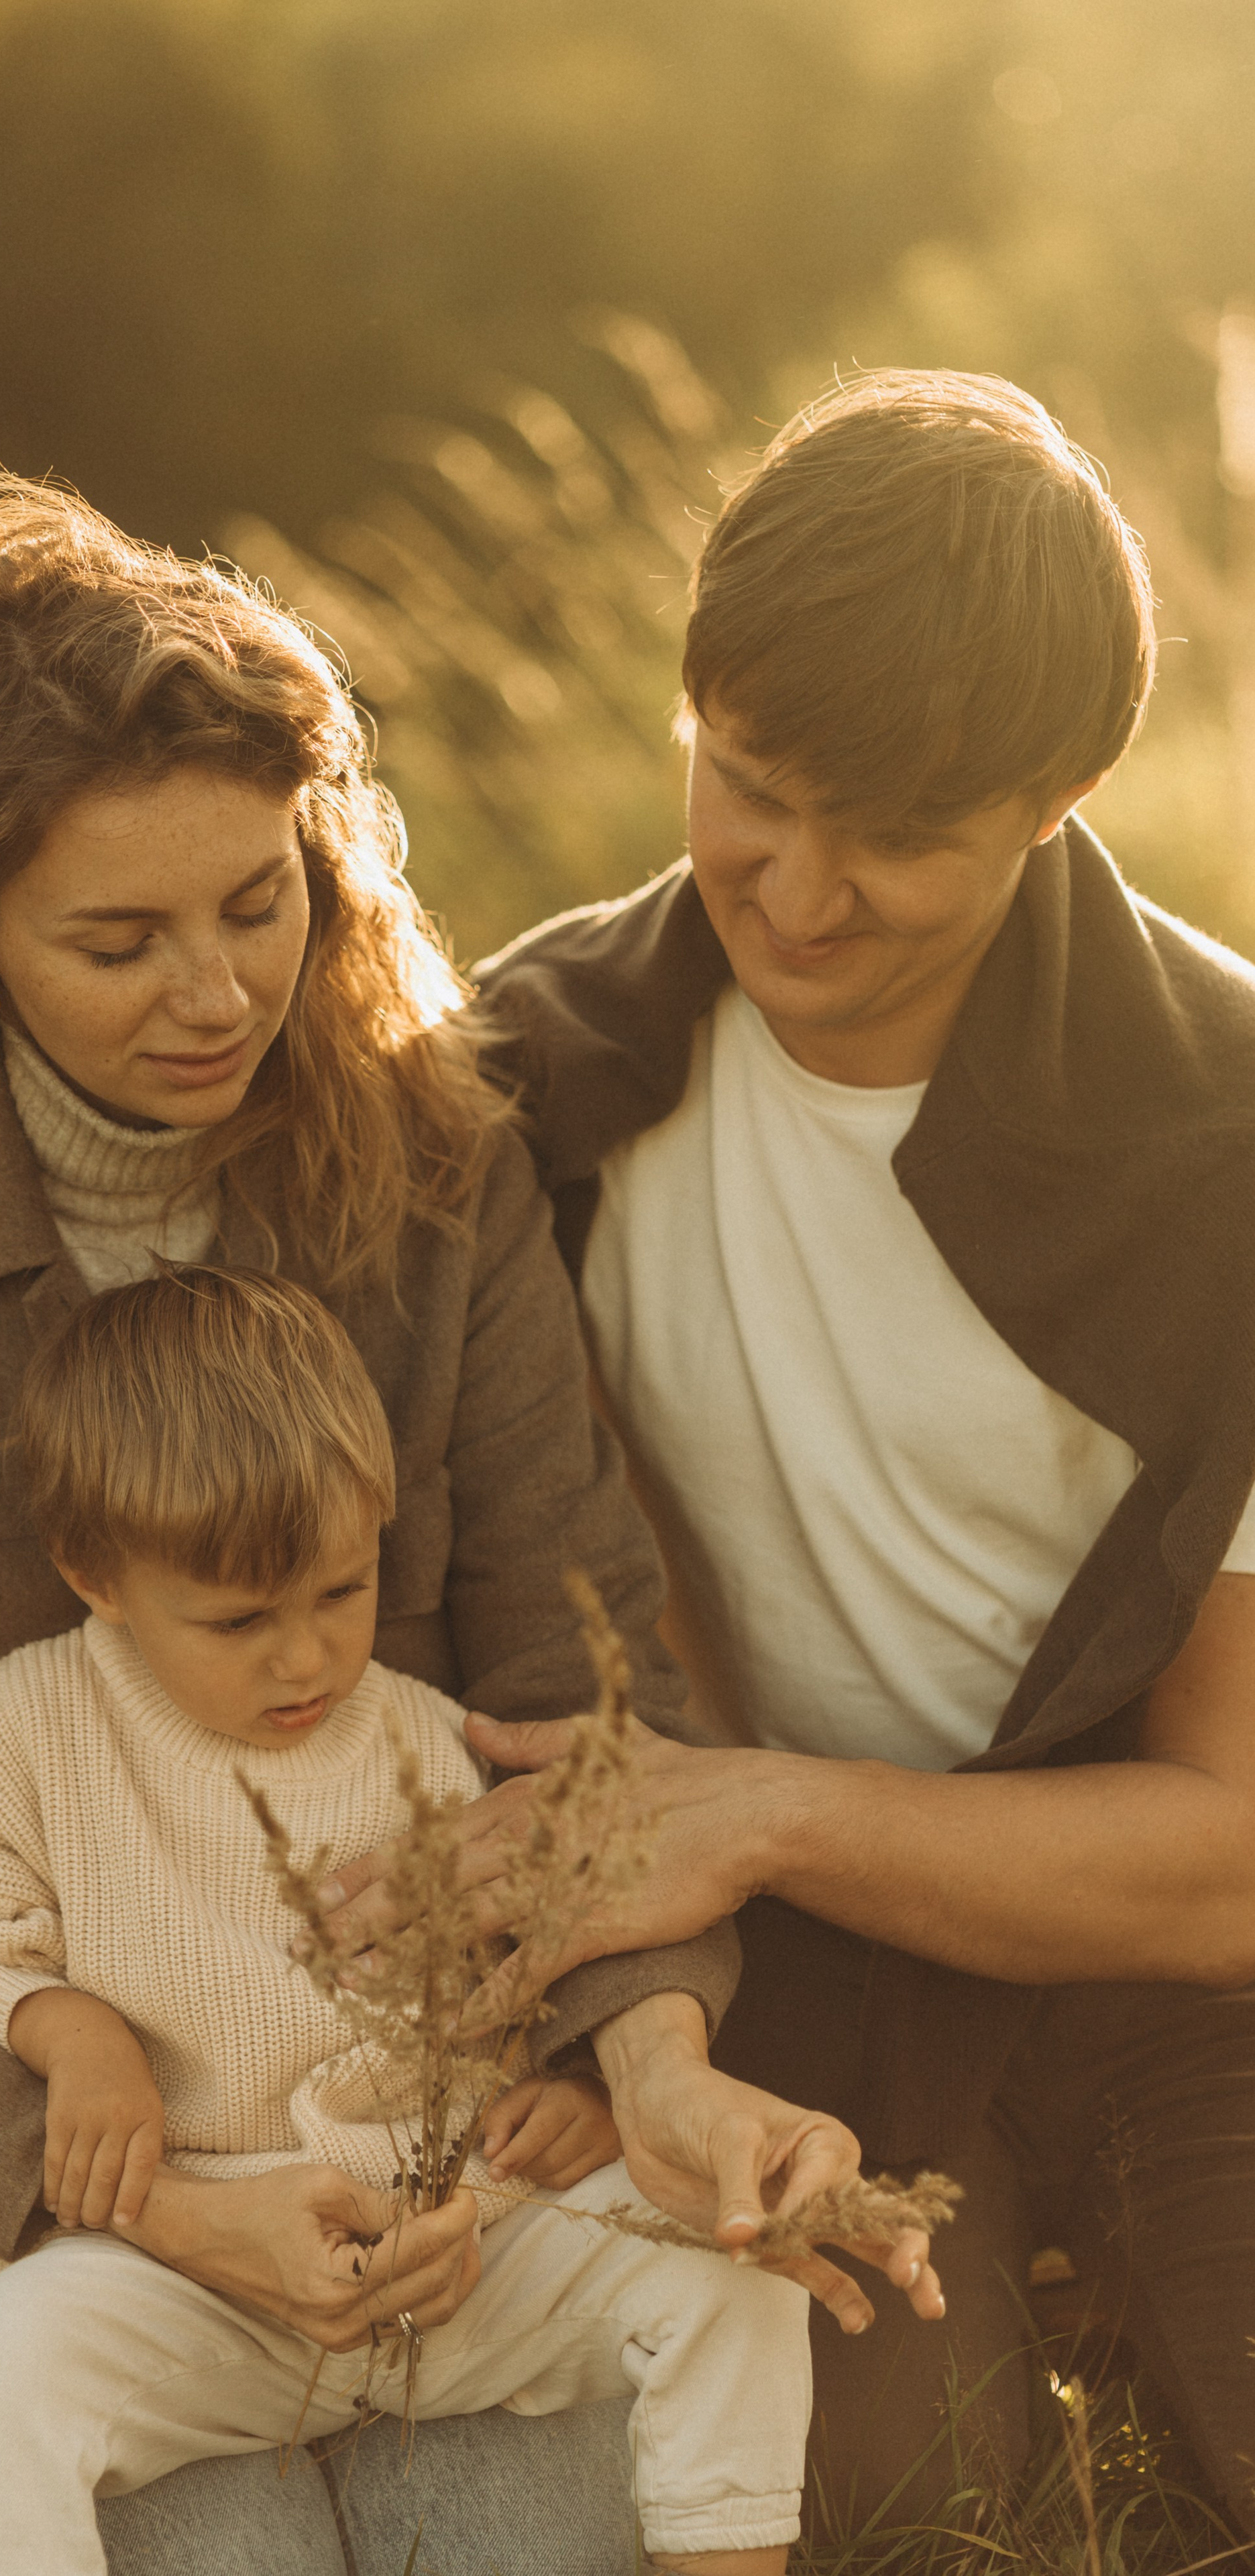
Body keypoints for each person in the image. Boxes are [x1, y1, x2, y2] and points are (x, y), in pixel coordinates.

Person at [0, 478, 938, 2576]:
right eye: (118, 941)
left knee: (534, 2543)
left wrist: (643, 2057)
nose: (217, 995)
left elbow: (580, 1682)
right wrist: (120, 2188)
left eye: (258, 903)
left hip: (423, 2188)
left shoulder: (435, 1182)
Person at [319, 370, 1255, 2534]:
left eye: (899, 839)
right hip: (778, 1980)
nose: (801, 892)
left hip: (1151, 1958)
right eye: (750, 786)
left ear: (1057, 801)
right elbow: (154, 1209)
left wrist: (751, 1810)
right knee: (893, 2498)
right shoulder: (532, 1077)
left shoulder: (1223, 1155)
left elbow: (1229, 1866)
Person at [0, 1262, 812, 2576]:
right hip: (196, 2271)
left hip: (462, 2260)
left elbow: (552, 1941)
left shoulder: (431, 1739)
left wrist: (577, 2086)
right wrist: (65, 2028)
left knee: (734, 2269)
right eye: (239, 1619)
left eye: (338, 1590)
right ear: (95, 1574)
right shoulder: (30, 1734)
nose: (305, 1658)